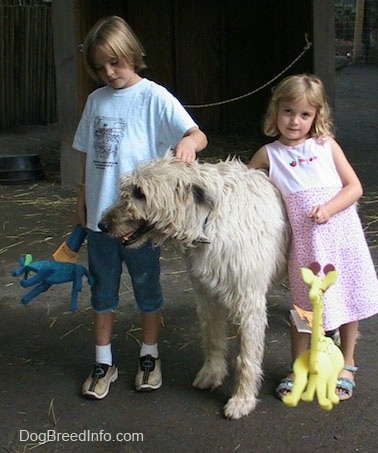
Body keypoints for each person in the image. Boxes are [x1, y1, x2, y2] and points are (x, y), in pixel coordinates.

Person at [73, 16, 207, 399]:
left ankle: (150, 355)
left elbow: (197, 133)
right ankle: (104, 361)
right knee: (102, 290)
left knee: (148, 287)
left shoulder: (154, 97)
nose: (109, 72)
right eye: (100, 67)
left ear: (132, 54)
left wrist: (188, 145)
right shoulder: (95, 100)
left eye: (115, 62)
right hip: (102, 217)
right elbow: (87, 155)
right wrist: (81, 197)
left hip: (139, 223)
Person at [248, 74, 378, 401]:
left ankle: (347, 362)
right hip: (307, 246)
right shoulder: (269, 154)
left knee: (347, 299)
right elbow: (246, 188)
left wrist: (329, 207)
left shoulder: (326, 146)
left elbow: (354, 187)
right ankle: (299, 365)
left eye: (305, 114)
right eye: (288, 111)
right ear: (275, 112)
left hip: (341, 237)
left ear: (316, 116)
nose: (295, 121)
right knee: (303, 309)